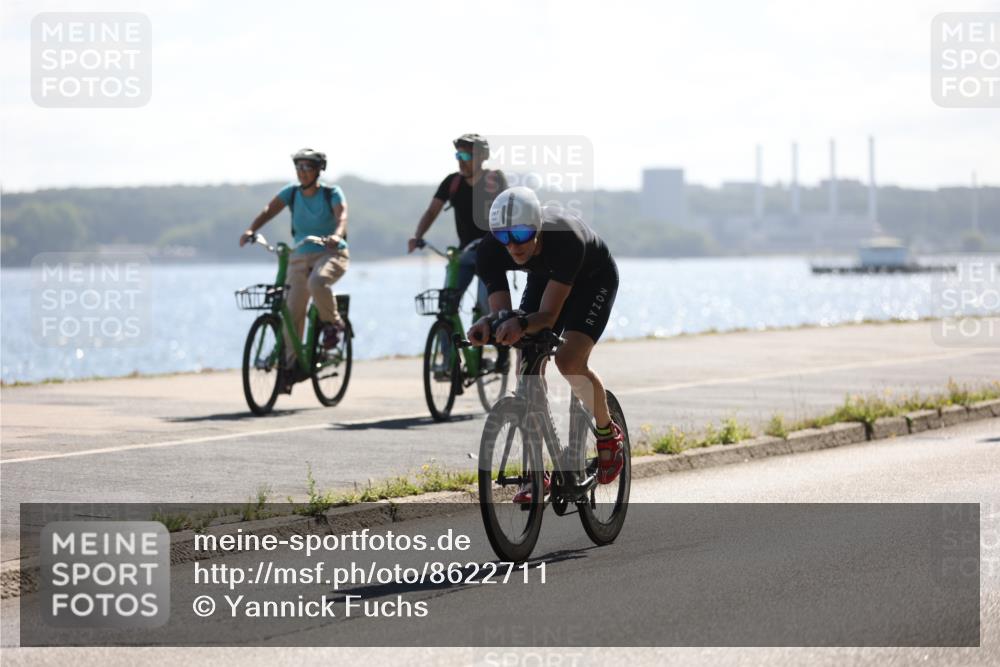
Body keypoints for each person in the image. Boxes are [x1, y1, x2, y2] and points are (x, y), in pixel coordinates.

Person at [467, 186, 624, 502]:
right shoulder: (490, 250)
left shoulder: (565, 238)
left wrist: (521, 323)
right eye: (504, 236)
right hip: (547, 276)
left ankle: (608, 434)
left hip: (592, 280)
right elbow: (502, 315)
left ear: (537, 227)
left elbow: (548, 316)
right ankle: (536, 475)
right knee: (527, 364)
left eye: (522, 234)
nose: (513, 245)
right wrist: (489, 325)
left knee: (569, 361)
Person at [239, 148, 349, 391]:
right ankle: (291, 368)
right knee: (291, 311)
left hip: (331, 253)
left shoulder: (331, 193)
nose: (302, 172)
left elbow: (342, 217)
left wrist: (336, 236)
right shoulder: (292, 192)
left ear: (319, 170)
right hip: (299, 256)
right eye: (298, 167)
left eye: (307, 167)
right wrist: (251, 229)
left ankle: (333, 324)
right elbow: (269, 210)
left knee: (317, 282)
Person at [408, 133, 508, 315]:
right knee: (447, 305)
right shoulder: (452, 182)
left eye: (466, 156)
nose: (461, 161)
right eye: (458, 156)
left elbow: (508, 212)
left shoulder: (494, 180)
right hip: (465, 253)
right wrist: (418, 236)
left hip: (491, 253)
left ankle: (487, 329)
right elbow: (431, 211)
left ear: (482, 157)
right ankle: (447, 331)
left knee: (487, 309)